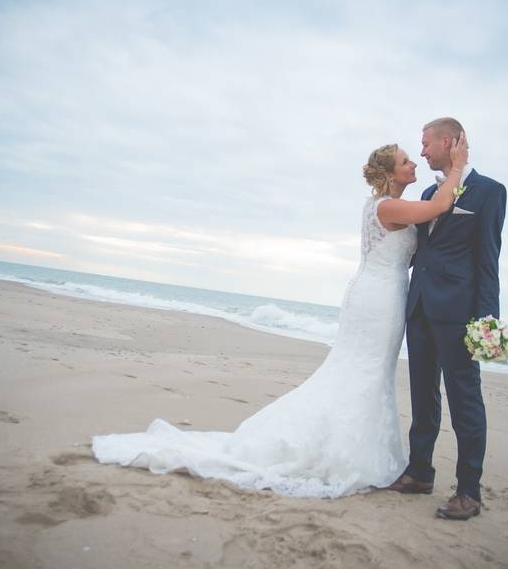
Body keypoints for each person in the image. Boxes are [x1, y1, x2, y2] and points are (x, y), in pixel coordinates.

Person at [91, 137, 470, 498]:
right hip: (376, 300)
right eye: (406, 161)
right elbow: (437, 207)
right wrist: (457, 166)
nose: (413, 163)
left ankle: (352, 445)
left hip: (383, 295)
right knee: (361, 370)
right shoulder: (386, 206)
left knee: (368, 371)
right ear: (390, 172)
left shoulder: (385, 204)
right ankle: (331, 450)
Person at [386, 117, 506, 521]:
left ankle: (469, 493)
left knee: (465, 401)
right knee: (423, 395)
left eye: (425, 144)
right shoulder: (427, 191)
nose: (421, 152)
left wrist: (488, 326)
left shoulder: (490, 192)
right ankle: (420, 472)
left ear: (449, 142)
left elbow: (488, 263)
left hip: (458, 316)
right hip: (419, 309)